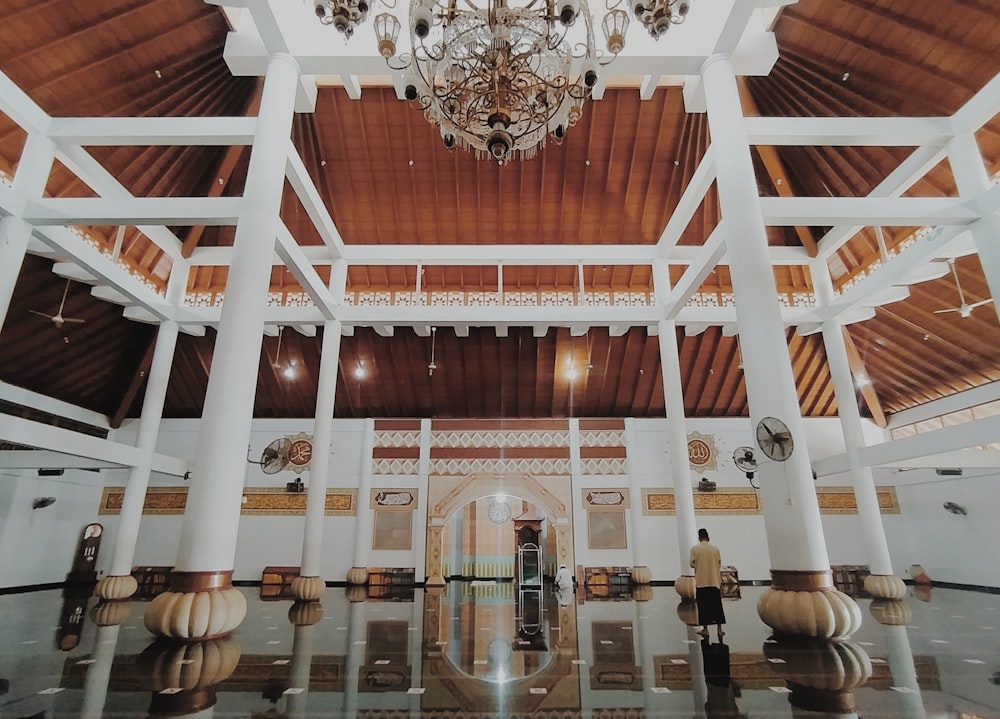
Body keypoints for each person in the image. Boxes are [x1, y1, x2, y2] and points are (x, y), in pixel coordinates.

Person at [690, 528, 726, 639]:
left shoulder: (695, 549)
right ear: (708, 538)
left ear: (699, 538)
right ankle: (719, 629)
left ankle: (705, 629)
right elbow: (719, 562)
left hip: (702, 581)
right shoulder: (715, 549)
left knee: (703, 606)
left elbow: (692, 563)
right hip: (714, 581)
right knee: (717, 605)